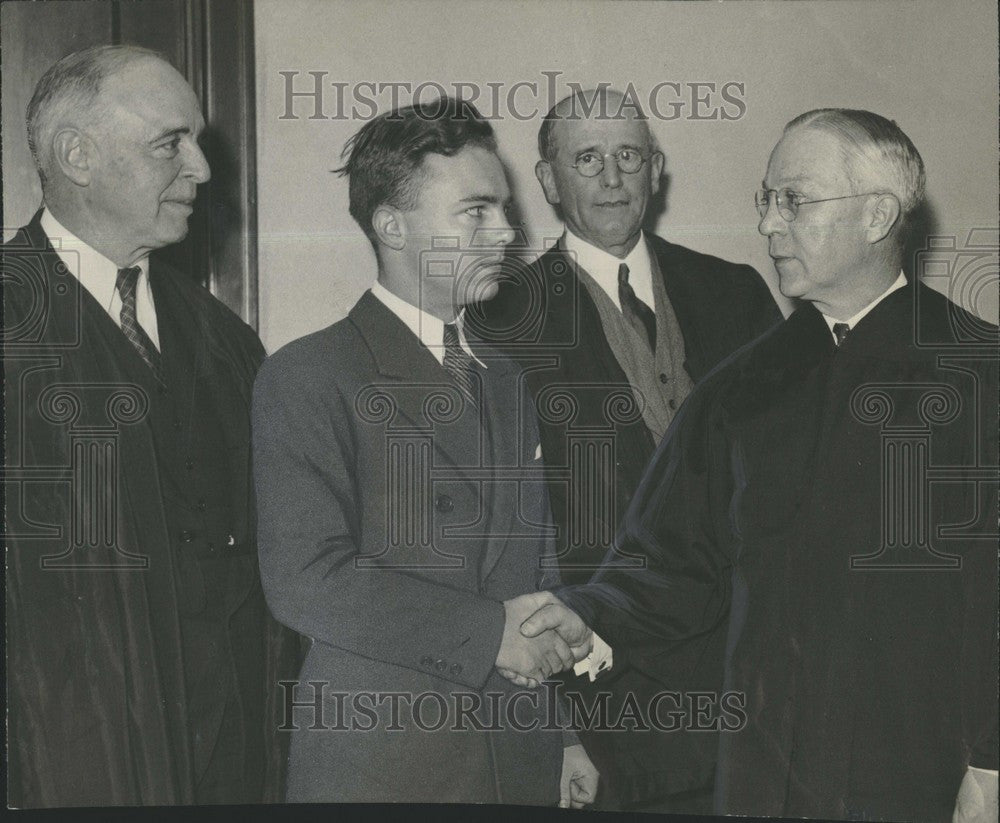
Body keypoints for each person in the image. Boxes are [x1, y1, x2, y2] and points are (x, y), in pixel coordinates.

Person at [513, 109, 999, 823]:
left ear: (877, 215)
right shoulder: (742, 387)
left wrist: (991, 761)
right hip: (762, 770)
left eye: (792, 201)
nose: (769, 225)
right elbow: (671, 563)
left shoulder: (979, 376)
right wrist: (587, 614)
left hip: (922, 773)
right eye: (764, 201)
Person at [252, 96, 599, 806]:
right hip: (388, 765)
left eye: (503, 207)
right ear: (392, 224)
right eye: (475, 210)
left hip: (519, 752)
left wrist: (562, 733)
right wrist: (488, 635)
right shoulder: (309, 373)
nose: (506, 231)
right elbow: (305, 578)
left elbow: (538, 569)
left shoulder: (510, 377)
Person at [469, 87, 781, 812]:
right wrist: (562, 730)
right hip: (607, 694)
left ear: (656, 169)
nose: (612, 178)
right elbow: (506, 546)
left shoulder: (734, 292)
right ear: (548, 180)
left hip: (751, 680)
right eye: (587, 158)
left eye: (629, 156)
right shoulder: (500, 317)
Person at [3, 45, 297, 806]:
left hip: (231, 760)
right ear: (78, 155)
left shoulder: (226, 342)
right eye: (171, 142)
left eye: (196, 141)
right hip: (67, 761)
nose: (200, 168)